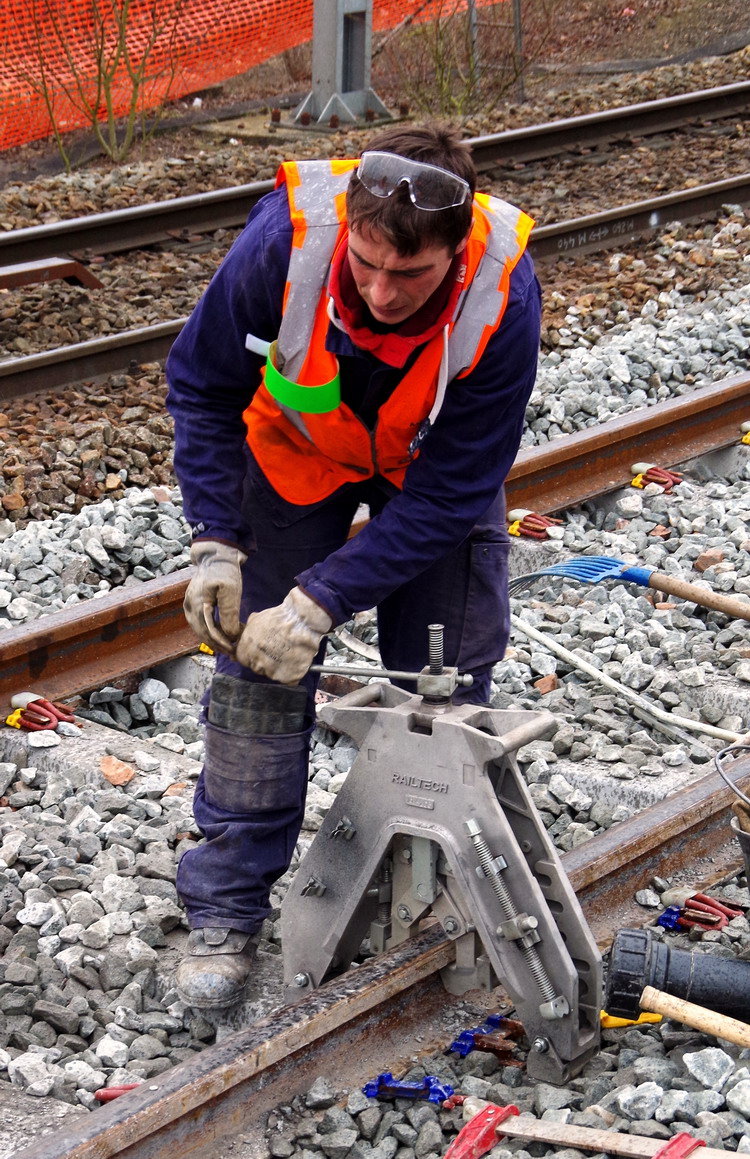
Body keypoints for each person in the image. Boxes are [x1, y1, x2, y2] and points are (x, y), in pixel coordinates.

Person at [165, 125, 542, 1009]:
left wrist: (320, 602)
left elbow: (453, 492)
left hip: (426, 474)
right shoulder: (287, 241)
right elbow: (203, 385)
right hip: (297, 457)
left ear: (455, 252)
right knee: (258, 676)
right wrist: (216, 538)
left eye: (410, 275)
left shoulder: (502, 292)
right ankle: (225, 907)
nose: (380, 291)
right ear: (350, 228)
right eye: (367, 264)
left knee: (443, 688)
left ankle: (428, 888)